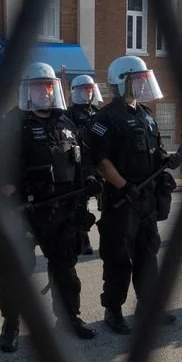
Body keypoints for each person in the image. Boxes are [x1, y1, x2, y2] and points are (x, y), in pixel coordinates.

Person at [88, 56, 181, 334]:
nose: (142, 84)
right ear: (121, 81)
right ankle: (113, 310)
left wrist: (165, 158)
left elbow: (154, 149)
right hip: (123, 199)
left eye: (144, 79)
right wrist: (123, 185)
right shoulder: (105, 118)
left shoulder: (146, 114)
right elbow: (101, 160)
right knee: (118, 258)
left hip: (147, 197)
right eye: (137, 80)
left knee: (148, 254)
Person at [8, 62, 100, 341]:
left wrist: (89, 179)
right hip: (27, 211)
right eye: (39, 87)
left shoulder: (66, 122)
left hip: (63, 211)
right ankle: (11, 325)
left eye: (49, 87)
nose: (45, 92)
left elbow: (81, 159)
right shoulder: (13, 123)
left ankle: (69, 317)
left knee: (65, 268)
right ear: (27, 90)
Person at [67, 74, 104, 255]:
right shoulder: (69, 114)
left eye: (90, 89)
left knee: (108, 201)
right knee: (80, 204)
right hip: (81, 165)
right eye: (84, 89)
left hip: (100, 162)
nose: (88, 93)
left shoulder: (98, 112)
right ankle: (83, 241)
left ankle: (108, 237)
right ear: (75, 91)